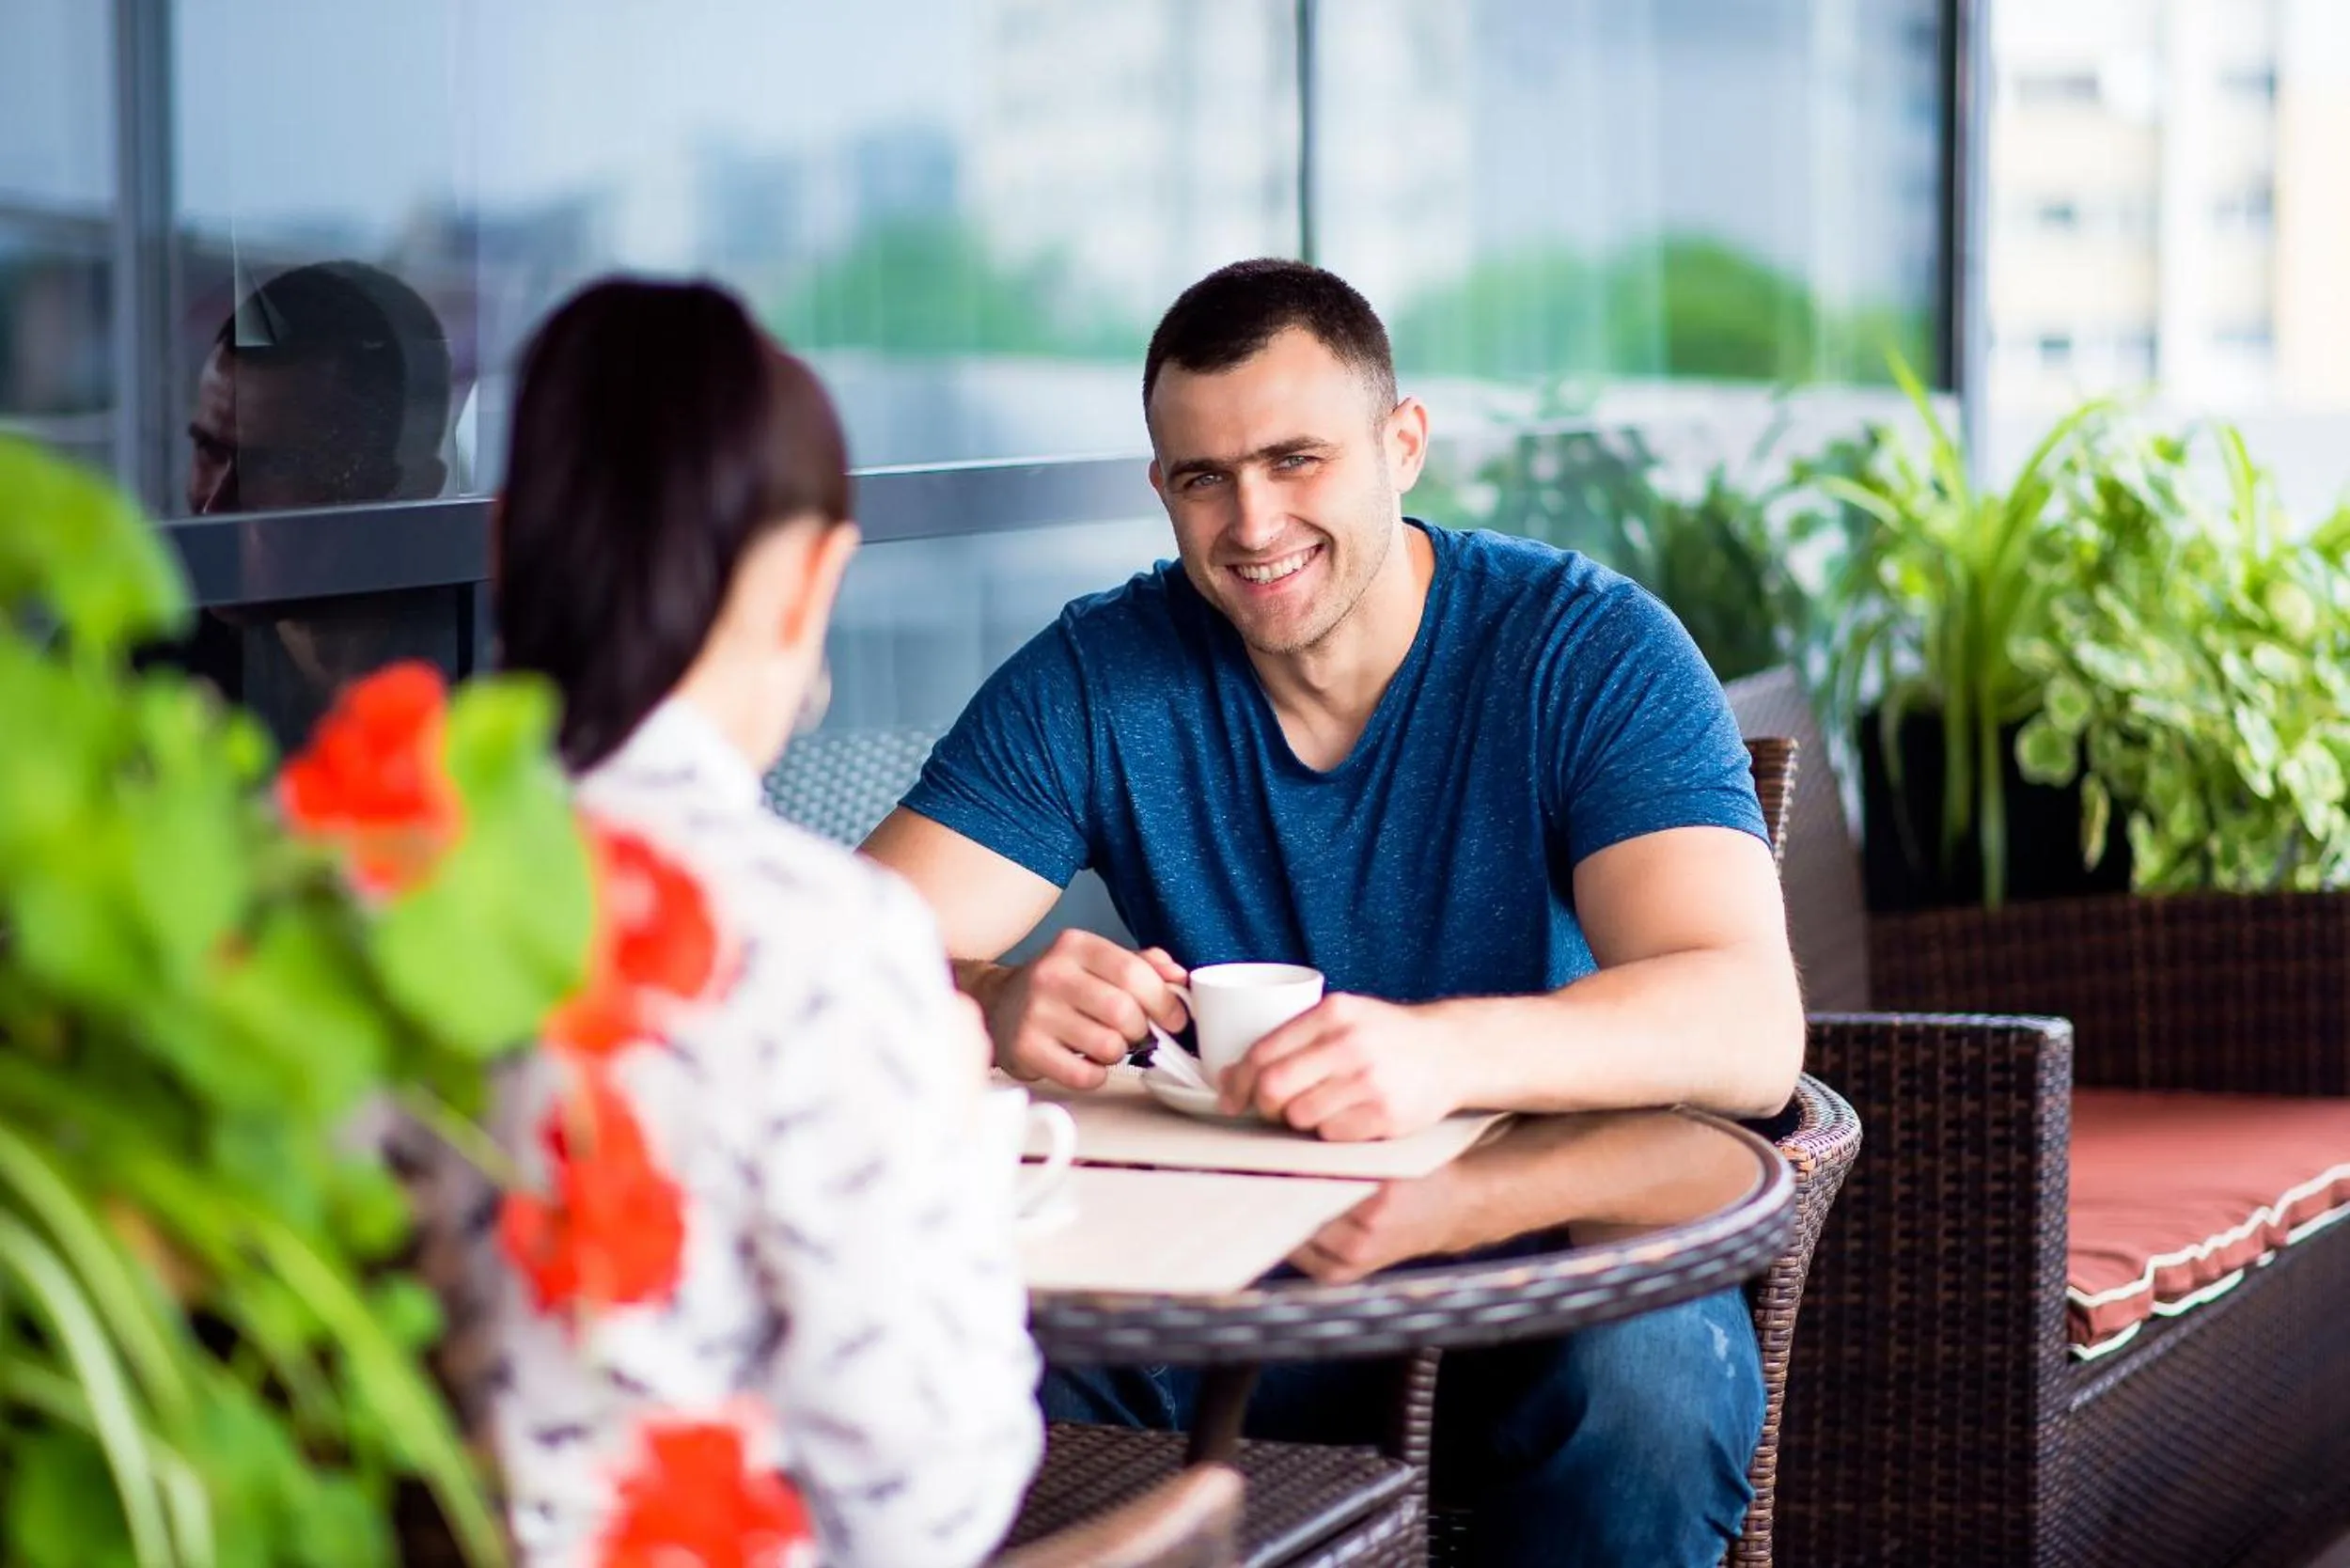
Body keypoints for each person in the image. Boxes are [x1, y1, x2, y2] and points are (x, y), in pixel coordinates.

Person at [862, 259, 1804, 1566]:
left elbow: (1751, 1020)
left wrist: (1434, 1054)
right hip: (1218, 1285)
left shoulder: (1586, 650)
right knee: (945, 1372)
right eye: (1204, 478)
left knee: (1644, 1394)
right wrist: (993, 995)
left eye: (1296, 460)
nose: (1252, 523)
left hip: (1539, 1254)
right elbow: (843, 964)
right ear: (1163, 491)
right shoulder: (1098, 673)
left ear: (1400, 445)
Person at [468, 277, 1041, 1566]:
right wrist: (944, 1129)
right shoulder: (814, 942)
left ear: (504, 550)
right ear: (811, 579)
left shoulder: (328, 888)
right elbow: (928, 1503)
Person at [174, 259, 459, 745]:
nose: (213, 508)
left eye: (277, 466)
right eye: (208, 450)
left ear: (404, 494)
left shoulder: (476, 663)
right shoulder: (157, 649)